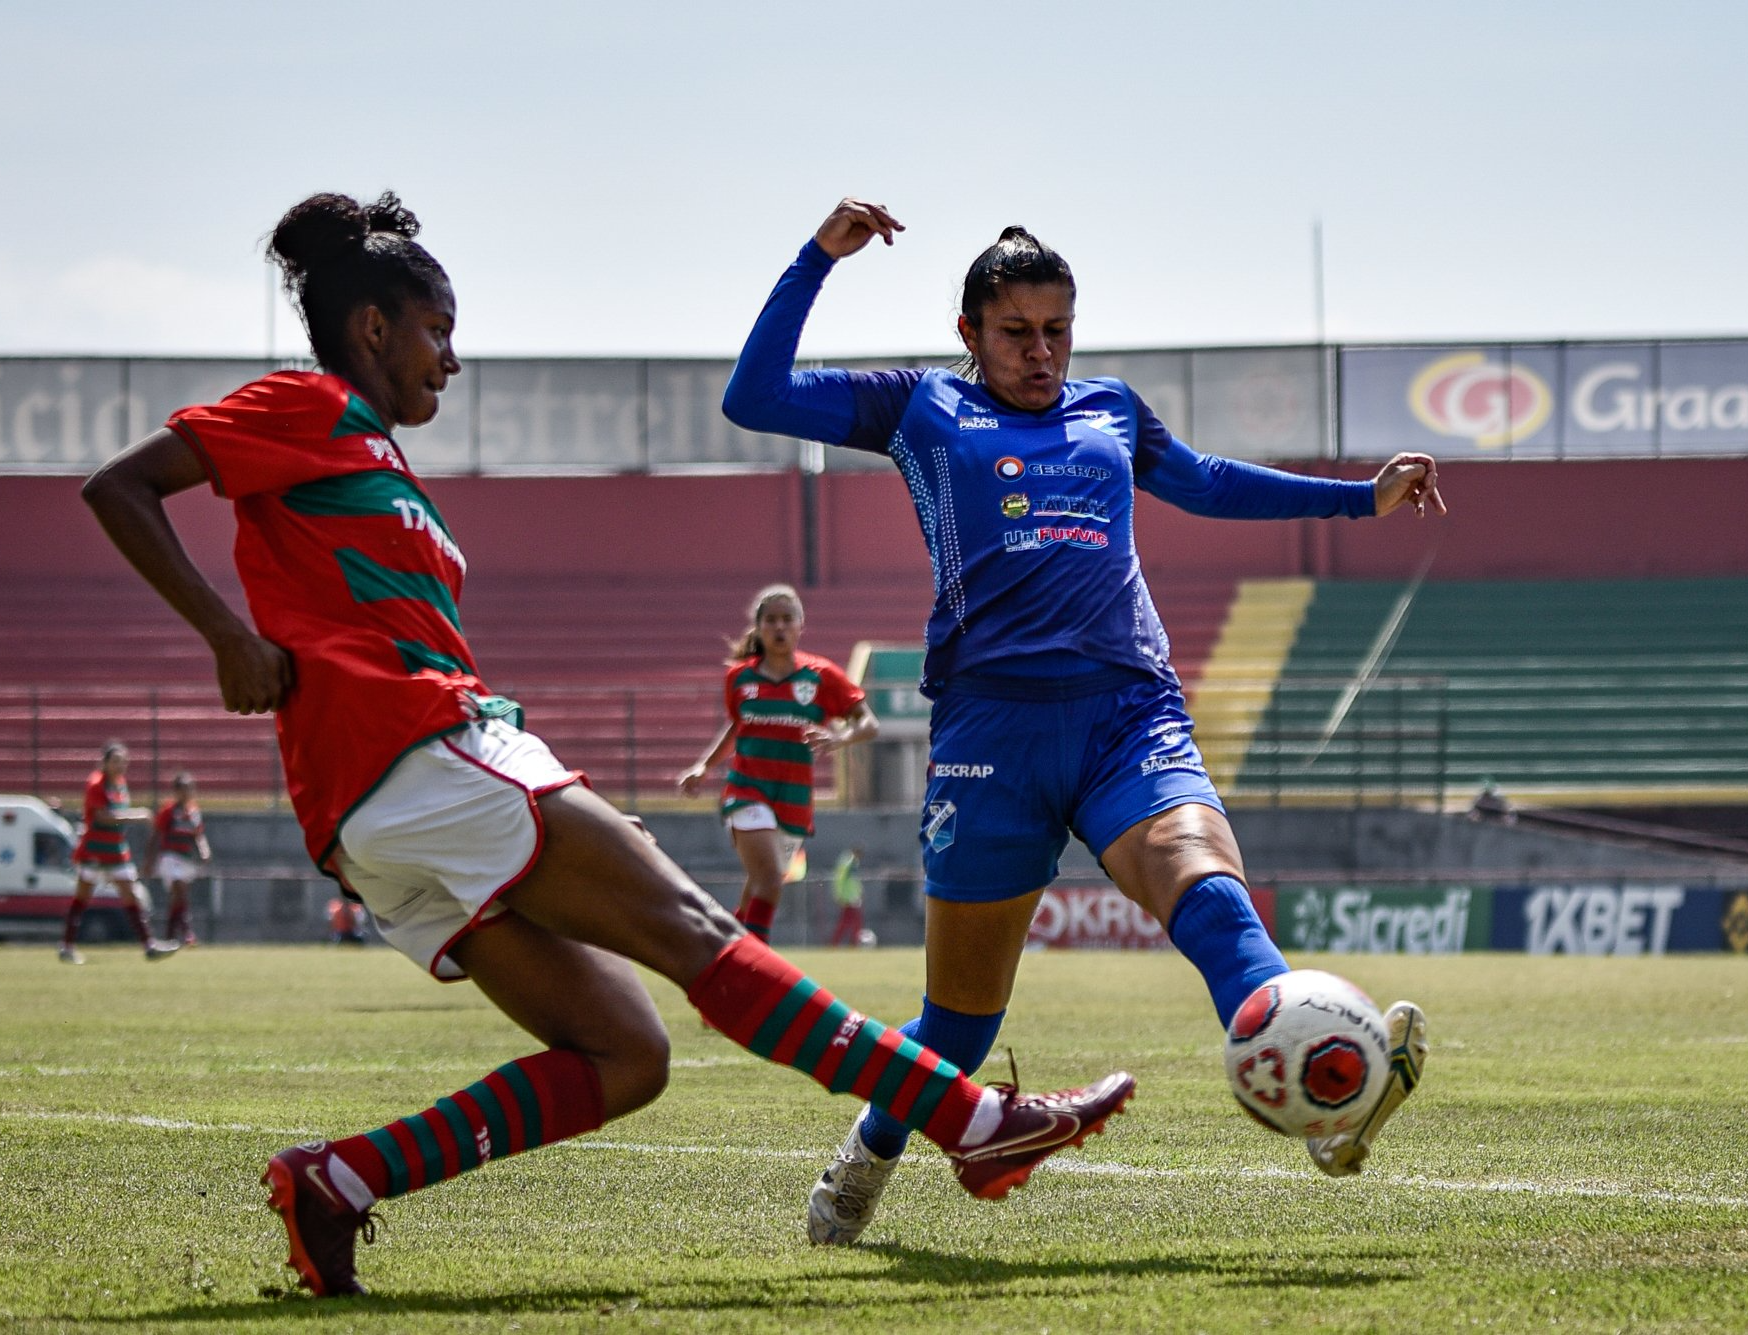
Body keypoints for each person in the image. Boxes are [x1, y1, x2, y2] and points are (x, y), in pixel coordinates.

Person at [80, 191, 1133, 1298]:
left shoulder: (366, 453)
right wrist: (226, 639)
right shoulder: (304, 403)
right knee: (696, 928)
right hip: (419, 751)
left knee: (626, 1055)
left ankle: (337, 1181)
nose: (450, 358)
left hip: (381, 806)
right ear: (375, 327)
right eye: (438, 331)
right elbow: (121, 485)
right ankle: (970, 1120)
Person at [724, 198, 1440, 1245]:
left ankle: (1324, 1095)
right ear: (967, 332)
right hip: (988, 739)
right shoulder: (917, 406)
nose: (1042, 352)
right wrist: (814, 260)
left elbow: (1203, 483)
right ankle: (866, 1159)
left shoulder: (1111, 409)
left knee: (1214, 904)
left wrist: (1353, 500)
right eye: (1016, 332)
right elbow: (753, 397)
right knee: (960, 1027)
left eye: (1058, 329)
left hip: (1126, 718)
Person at [676, 585, 878, 942]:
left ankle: (731, 950)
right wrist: (704, 767)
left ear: (801, 625)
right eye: (771, 620)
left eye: (787, 619)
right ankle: (759, 968)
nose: (779, 627)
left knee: (759, 886)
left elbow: (868, 723)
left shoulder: (821, 675)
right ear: (759, 628)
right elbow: (739, 725)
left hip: (794, 800)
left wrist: (840, 738)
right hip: (748, 789)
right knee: (770, 880)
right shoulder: (739, 678)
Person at [58, 741, 178, 964]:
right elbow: (103, 816)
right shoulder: (96, 784)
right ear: (104, 762)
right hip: (95, 850)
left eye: (124, 762)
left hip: (116, 850)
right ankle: (66, 947)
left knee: (130, 895)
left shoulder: (120, 784)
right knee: (82, 899)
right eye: (115, 761)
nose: (120, 766)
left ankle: (149, 945)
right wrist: (138, 815)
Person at [142, 771, 211, 945]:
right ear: (176, 791)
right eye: (184, 789)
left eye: (190, 789)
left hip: (186, 858)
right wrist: (149, 861)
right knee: (179, 889)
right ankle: (188, 933)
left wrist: (204, 850)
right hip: (169, 857)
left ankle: (170, 936)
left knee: (177, 898)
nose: (187, 793)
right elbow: (156, 835)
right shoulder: (168, 811)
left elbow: (198, 835)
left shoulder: (194, 811)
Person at [830, 845, 866, 946]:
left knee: (847, 921)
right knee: (854, 921)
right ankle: (852, 943)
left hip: (850, 897)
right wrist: (840, 894)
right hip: (849, 897)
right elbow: (844, 881)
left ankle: (837, 942)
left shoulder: (849, 862)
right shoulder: (850, 864)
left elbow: (851, 881)